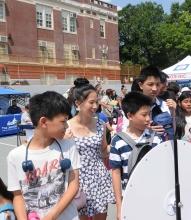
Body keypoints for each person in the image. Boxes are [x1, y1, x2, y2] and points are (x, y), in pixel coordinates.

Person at [7, 91, 80, 220]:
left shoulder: (68, 145)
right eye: (63, 121)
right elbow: (18, 196)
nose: (67, 125)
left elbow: (73, 185)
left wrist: (52, 216)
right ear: (44, 122)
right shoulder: (15, 156)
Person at [110, 92, 162, 220]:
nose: (148, 119)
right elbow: (116, 173)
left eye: (149, 114)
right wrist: (119, 206)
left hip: (154, 197)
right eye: (144, 115)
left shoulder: (156, 138)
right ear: (130, 116)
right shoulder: (118, 141)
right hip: (129, 197)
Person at [67, 79, 114, 220]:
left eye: (96, 102)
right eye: (91, 102)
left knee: (101, 216)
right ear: (78, 103)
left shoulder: (101, 124)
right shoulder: (66, 127)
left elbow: (104, 151)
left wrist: (118, 143)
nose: (95, 106)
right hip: (78, 180)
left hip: (100, 178)